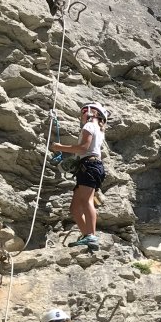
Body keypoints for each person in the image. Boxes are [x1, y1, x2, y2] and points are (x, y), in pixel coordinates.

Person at [49, 102, 107, 251]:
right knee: (75, 208)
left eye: (83, 112)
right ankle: (87, 236)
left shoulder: (89, 126)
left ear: (91, 112)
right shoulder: (99, 130)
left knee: (87, 201)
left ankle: (92, 236)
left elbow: (83, 148)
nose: (81, 115)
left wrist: (59, 147)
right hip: (90, 166)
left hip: (89, 166)